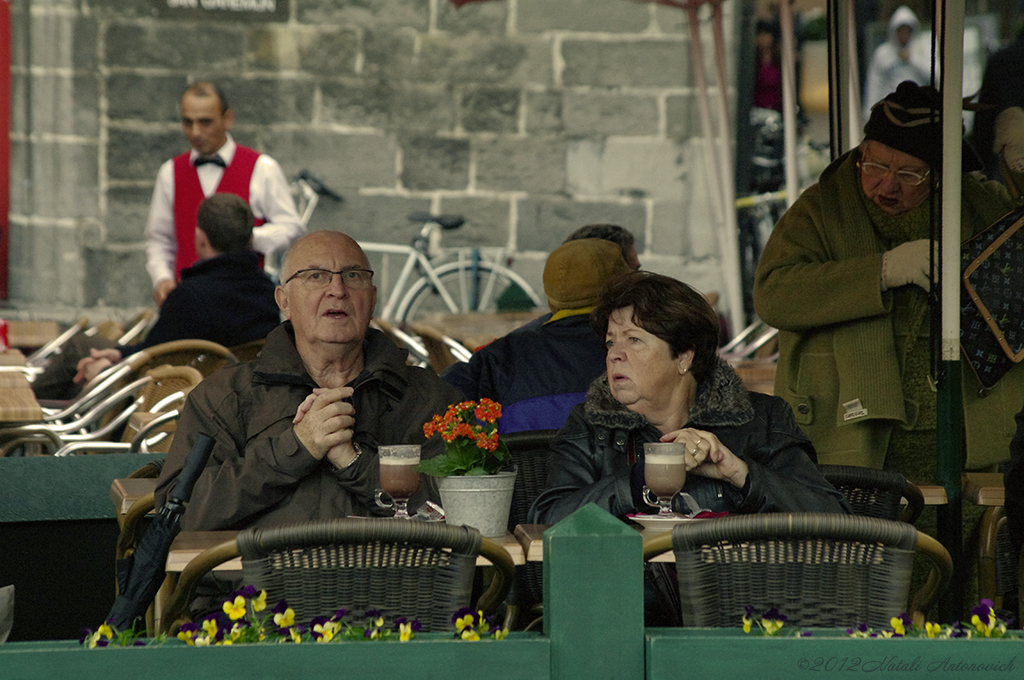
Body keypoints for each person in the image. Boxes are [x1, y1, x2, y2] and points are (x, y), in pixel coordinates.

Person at [753, 81, 1024, 476]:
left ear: (939, 174)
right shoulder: (822, 209)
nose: (887, 185)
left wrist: (1018, 170)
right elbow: (772, 294)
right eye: (876, 165)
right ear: (861, 153)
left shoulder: (978, 203)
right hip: (851, 438)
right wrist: (880, 272)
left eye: (909, 174)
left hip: (964, 440)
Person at [154, 229, 463, 533]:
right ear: (283, 300)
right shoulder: (225, 396)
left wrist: (354, 462)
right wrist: (296, 447)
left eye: (353, 275)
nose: (338, 290)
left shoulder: (428, 400)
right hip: (257, 583)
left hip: (395, 582)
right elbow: (177, 511)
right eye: (316, 276)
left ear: (372, 298)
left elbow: (464, 511)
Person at [529, 271, 849, 526]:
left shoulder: (761, 419)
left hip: (736, 597)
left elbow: (835, 516)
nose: (615, 355)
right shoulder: (591, 423)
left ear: (684, 357)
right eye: (611, 343)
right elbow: (548, 520)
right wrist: (643, 480)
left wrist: (738, 473)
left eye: (634, 340)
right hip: (630, 599)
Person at [31, 194, 282, 400]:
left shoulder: (190, 296)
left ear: (200, 239)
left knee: (79, 350)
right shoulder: (269, 293)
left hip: (157, 397)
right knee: (85, 357)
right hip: (227, 395)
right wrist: (120, 353)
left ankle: (23, 415)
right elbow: (161, 349)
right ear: (249, 239)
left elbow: (153, 358)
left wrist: (112, 366)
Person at [440, 238, 631, 434]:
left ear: (552, 295)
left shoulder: (502, 356)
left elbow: (442, 403)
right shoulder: (639, 352)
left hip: (526, 465)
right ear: (625, 294)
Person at [145, 81, 304, 306]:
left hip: (246, 302)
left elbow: (292, 229)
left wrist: (250, 238)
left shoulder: (262, 168)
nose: (195, 132)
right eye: (187, 122)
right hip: (189, 302)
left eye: (205, 122)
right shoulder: (169, 172)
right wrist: (162, 279)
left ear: (228, 119)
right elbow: (160, 239)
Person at [863, 6, 929, 121]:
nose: (904, 35)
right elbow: (874, 84)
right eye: (900, 31)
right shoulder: (882, 53)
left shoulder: (923, 49)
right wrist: (870, 114)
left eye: (907, 30)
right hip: (892, 113)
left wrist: (912, 59)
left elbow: (936, 75)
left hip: (918, 111)